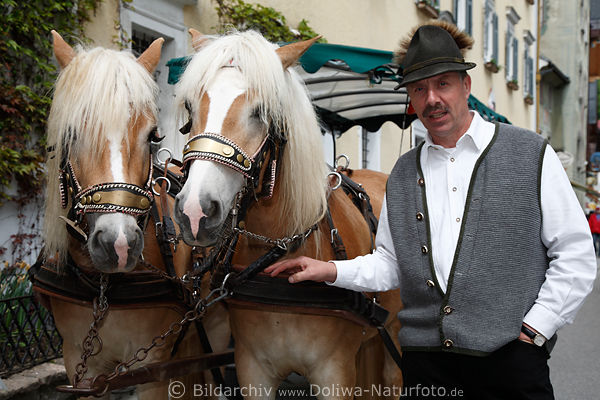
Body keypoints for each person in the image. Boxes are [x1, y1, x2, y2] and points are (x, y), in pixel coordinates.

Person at [266, 21, 597, 399]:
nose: (432, 99)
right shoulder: (404, 173)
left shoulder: (530, 154)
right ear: (411, 98)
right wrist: (327, 270)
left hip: (511, 361)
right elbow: (391, 264)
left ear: (465, 86)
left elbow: (575, 253)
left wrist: (537, 328)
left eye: (443, 84)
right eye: (419, 89)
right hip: (427, 366)